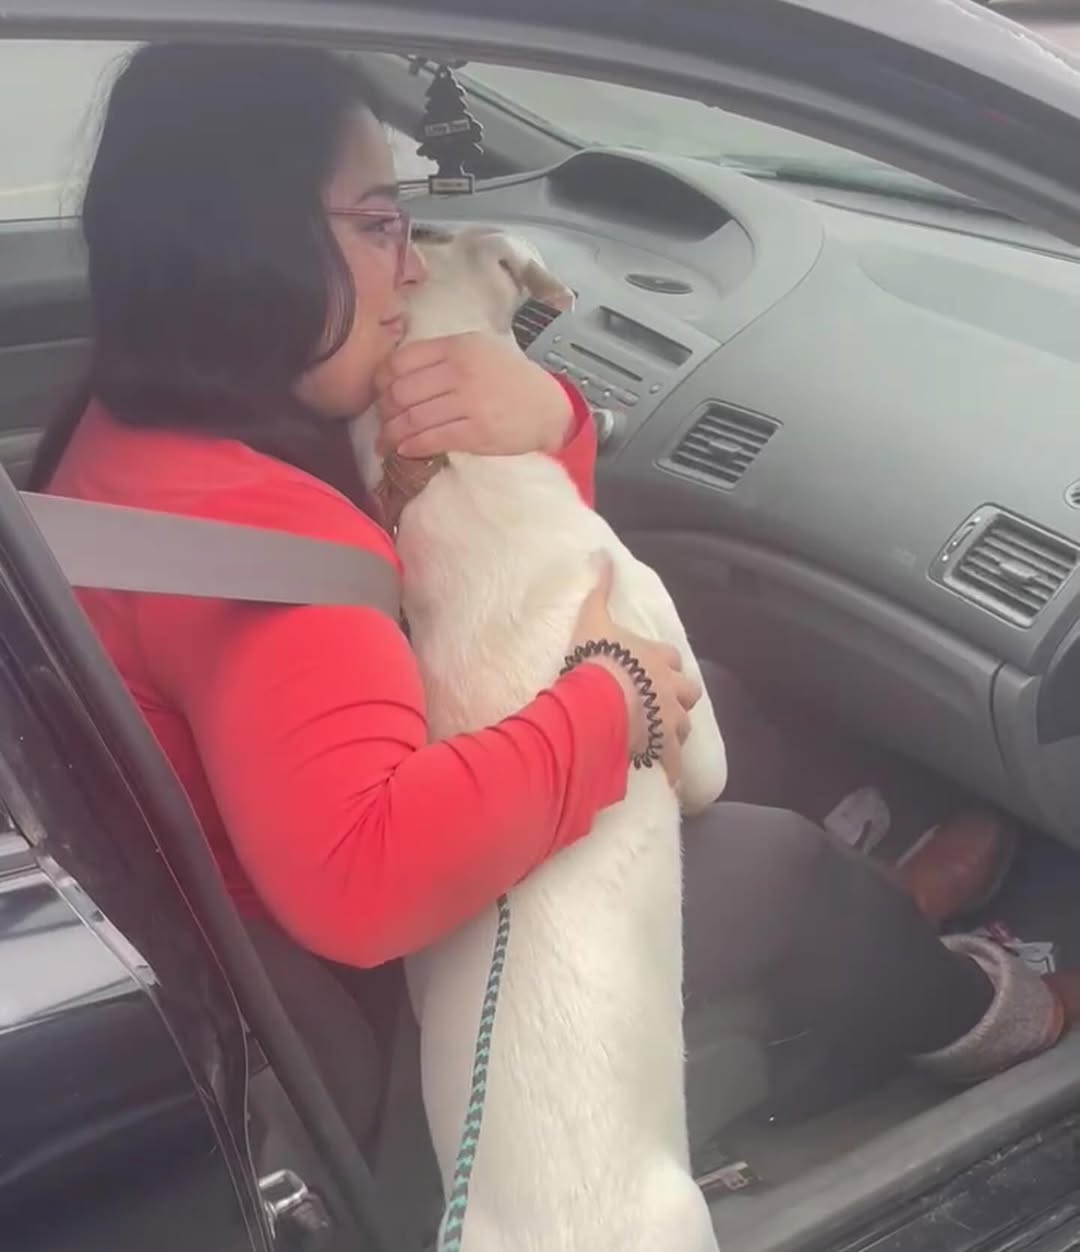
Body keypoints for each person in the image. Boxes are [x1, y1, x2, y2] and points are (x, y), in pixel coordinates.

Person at [33, 42, 1074, 1158]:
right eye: (382, 224)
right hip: (381, 1003)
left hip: (244, 933)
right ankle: (992, 1014)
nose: (418, 270)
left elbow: (495, 567)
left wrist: (549, 422)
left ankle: (885, 908)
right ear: (251, 250)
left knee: (711, 687)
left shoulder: (140, 432)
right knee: (773, 866)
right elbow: (363, 886)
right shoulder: (269, 553)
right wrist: (608, 701)